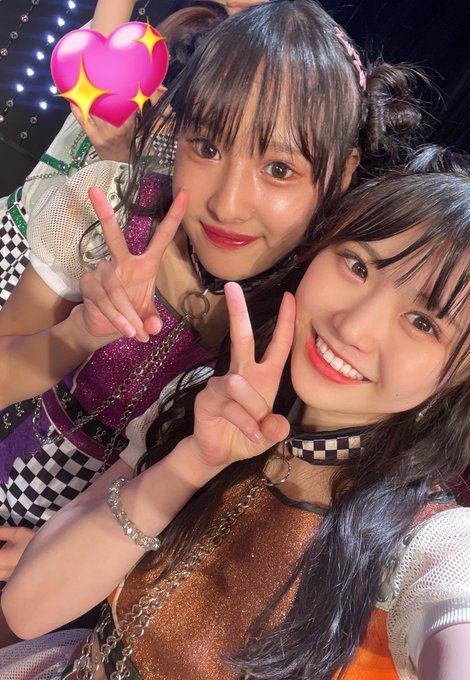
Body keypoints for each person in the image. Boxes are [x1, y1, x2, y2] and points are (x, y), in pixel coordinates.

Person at [3, 146, 470, 679]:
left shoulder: (431, 543)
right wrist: (192, 463)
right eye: (357, 265)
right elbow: (27, 608)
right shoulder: (204, 395)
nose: (353, 327)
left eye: (424, 323)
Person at [0, 0, 423, 564]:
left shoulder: (316, 321)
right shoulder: (111, 214)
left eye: (279, 169)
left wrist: (58, 554)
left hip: (104, 572)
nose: (228, 203)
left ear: (342, 172)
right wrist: (78, 334)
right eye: (206, 147)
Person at [0, 0, 229, 307]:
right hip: (12, 231)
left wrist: (121, 159)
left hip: (58, 289)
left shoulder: (181, 165)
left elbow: (130, 242)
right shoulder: (99, 90)